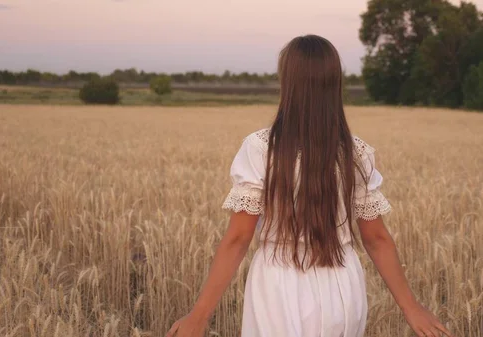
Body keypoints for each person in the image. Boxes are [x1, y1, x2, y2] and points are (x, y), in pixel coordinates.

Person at [166, 35, 453, 337]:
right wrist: (412, 309)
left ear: (287, 82)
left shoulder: (261, 149)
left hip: (278, 287)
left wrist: (199, 316)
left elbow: (238, 238)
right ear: (334, 83)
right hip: (343, 286)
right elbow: (377, 239)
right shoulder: (355, 153)